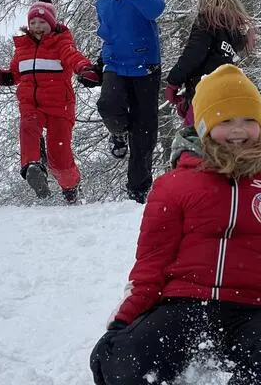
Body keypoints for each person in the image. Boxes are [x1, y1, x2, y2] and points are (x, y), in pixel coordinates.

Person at [90, 64, 261, 385]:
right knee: (123, 363)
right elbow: (152, 264)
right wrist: (125, 318)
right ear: (204, 125)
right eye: (225, 120)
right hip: (183, 306)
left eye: (249, 119)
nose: (239, 129)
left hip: (252, 310)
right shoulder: (176, 185)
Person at [84, 0, 165, 203]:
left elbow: (154, 10)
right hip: (115, 65)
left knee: (144, 131)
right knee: (108, 104)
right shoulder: (104, 0)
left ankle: (138, 190)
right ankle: (118, 134)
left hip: (146, 65)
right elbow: (107, 34)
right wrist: (98, 64)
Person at [0, 0, 100, 204]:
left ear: (51, 24)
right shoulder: (22, 48)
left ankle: (70, 187)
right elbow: (14, 75)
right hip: (30, 103)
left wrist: (85, 69)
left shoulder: (61, 42)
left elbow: (73, 57)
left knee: (59, 158)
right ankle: (32, 166)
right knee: (28, 124)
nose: (37, 26)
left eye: (42, 22)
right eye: (33, 23)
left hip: (59, 106)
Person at [165, 0, 255, 126]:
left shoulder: (207, 20)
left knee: (196, 140)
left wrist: (173, 82)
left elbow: (193, 56)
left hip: (206, 94)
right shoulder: (235, 31)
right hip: (229, 95)